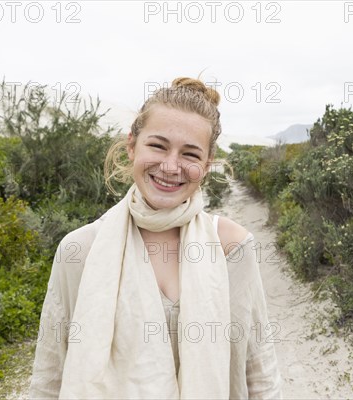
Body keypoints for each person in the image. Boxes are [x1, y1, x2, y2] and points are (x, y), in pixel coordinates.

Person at [28, 77, 283, 399]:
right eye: (158, 146)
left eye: (190, 154)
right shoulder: (80, 249)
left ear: (206, 165)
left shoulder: (232, 246)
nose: (170, 166)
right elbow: (50, 374)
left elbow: (259, 370)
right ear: (132, 145)